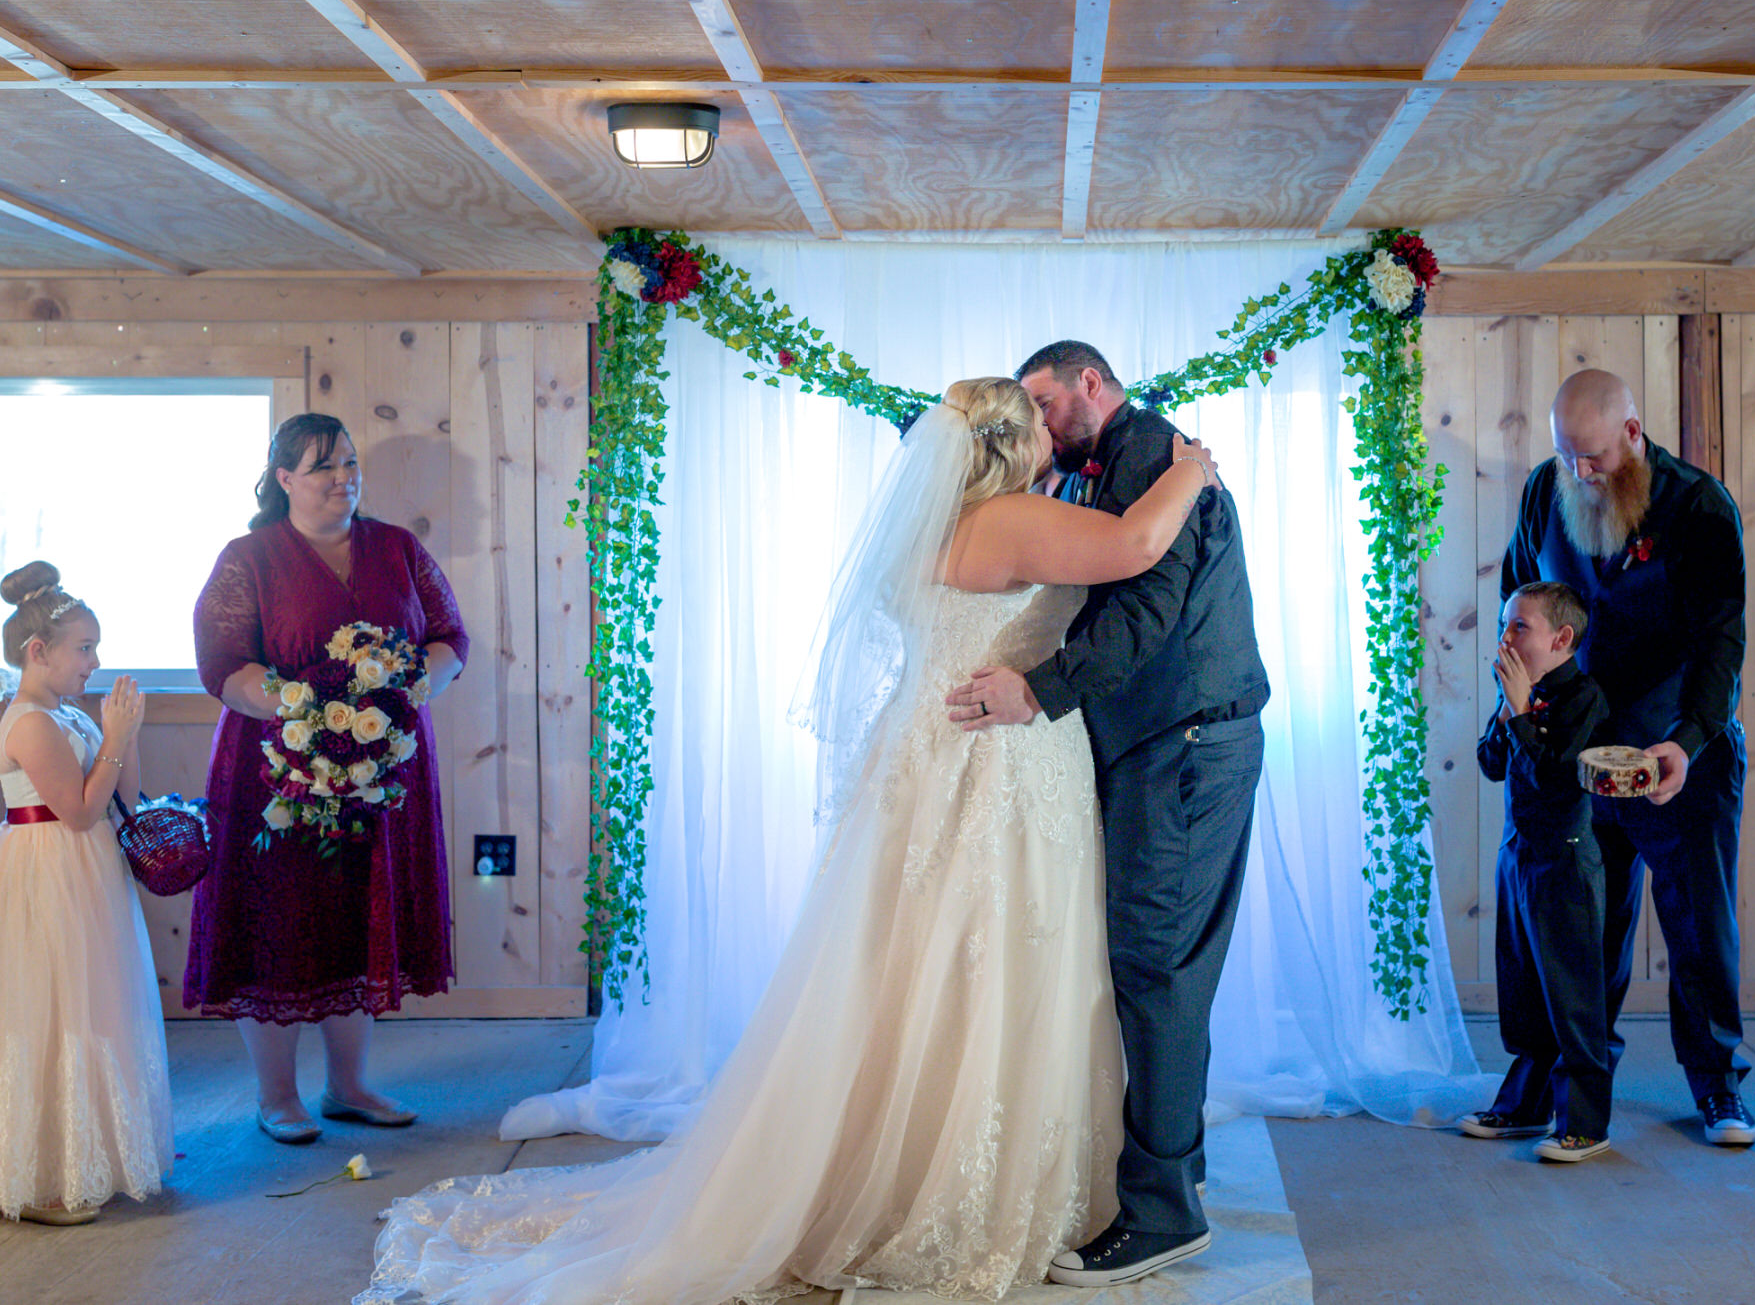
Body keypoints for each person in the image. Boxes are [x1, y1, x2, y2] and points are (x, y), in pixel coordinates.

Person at [357, 377, 1222, 1304]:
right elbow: (1136, 544)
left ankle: (897, 1159)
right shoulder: (1009, 523)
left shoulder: (929, 531)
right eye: (1040, 425)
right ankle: (986, 1184)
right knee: (1000, 964)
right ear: (1012, 446)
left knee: (917, 972)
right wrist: (1192, 472)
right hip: (997, 764)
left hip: (929, 759)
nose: (1056, 437)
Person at [947, 341, 1268, 1287]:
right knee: (1159, 966)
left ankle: (1163, 1211)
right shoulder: (1111, 468)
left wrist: (1037, 693)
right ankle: (1178, 1170)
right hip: (1170, 746)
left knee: (1156, 968)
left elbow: (1142, 612)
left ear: (1092, 383)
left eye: (1046, 403)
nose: (1040, 426)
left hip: (1186, 747)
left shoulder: (1153, 460)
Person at [186, 413, 468, 1145]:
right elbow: (222, 662)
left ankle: (349, 1085)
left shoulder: (398, 549)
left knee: (356, 910)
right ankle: (277, 1096)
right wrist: (305, 708)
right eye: (324, 467)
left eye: (349, 463)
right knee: (273, 920)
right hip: (273, 775)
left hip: (384, 768)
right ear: (284, 480)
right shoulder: (247, 558)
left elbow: (449, 635)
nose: (345, 477)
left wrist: (415, 687)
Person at [1500, 369, 1753, 1146]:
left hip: (1677, 744)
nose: (1580, 474)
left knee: (1697, 924)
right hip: (1578, 747)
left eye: (1596, 458)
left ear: (1634, 434)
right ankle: (1565, 1086)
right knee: (1579, 927)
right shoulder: (1550, 488)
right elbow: (1521, 592)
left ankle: (1718, 1087)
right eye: (1568, 457)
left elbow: (1721, 639)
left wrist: (1690, 735)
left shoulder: (1698, 505)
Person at [0, 563, 173, 1225]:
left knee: (96, 1001)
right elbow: (76, 810)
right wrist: (117, 740)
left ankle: (98, 1149)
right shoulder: (29, 722)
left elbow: (111, 796)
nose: (95, 660)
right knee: (55, 1006)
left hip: (85, 871)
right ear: (36, 651)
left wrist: (121, 736)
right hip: (50, 872)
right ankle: (46, 1175)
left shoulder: (65, 712)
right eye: (84, 647)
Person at [1460, 581, 1613, 1163]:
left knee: (1572, 997)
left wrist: (1522, 711)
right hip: (1519, 856)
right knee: (1524, 991)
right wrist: (1510, 710)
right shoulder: (1520, 692)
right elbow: (1491, 764)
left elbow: (1556, 779)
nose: (1505, 637)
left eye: (1518, 626)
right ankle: (1528, 1106)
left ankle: (1586, 1123)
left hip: (1566, 862)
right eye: (1504, 625)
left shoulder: (1586, 700)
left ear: (1562, 638)